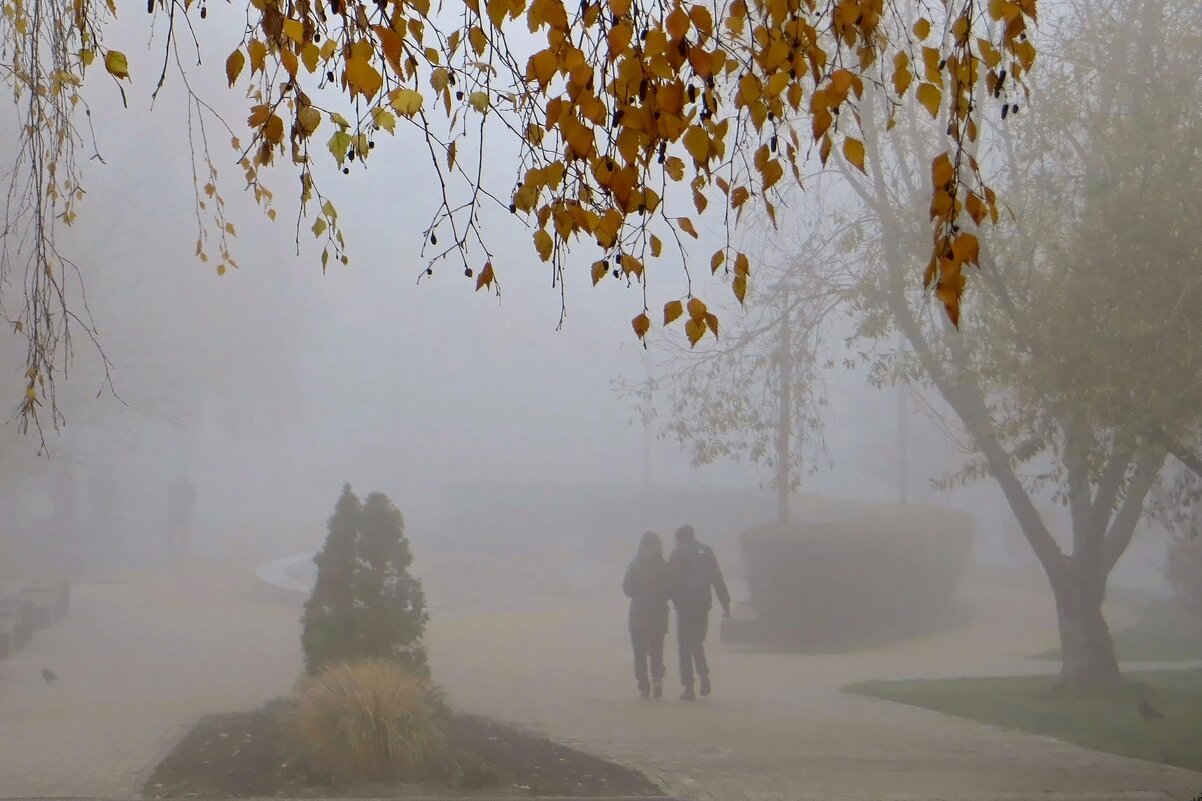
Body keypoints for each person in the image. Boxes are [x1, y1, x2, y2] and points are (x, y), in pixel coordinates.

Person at [668, 524, 730, 700]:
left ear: (679, 538)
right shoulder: (706, 551)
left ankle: (689, 688)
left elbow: (671, 580)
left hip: (684, 606)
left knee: (684, 646)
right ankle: (704, 674)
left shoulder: (678, 553)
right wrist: (725, 603)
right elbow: (717, 578)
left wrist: (666, 598)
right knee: (696, 641)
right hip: (703, 604)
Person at [622, 531, 671, 700]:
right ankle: (657, 681)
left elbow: (627, 590)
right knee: (657, 651)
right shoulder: (664, 566)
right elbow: (670, 592)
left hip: (638, 614)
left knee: (639, 653)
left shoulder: (634, 565)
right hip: (658, 613)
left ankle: (643, 686)